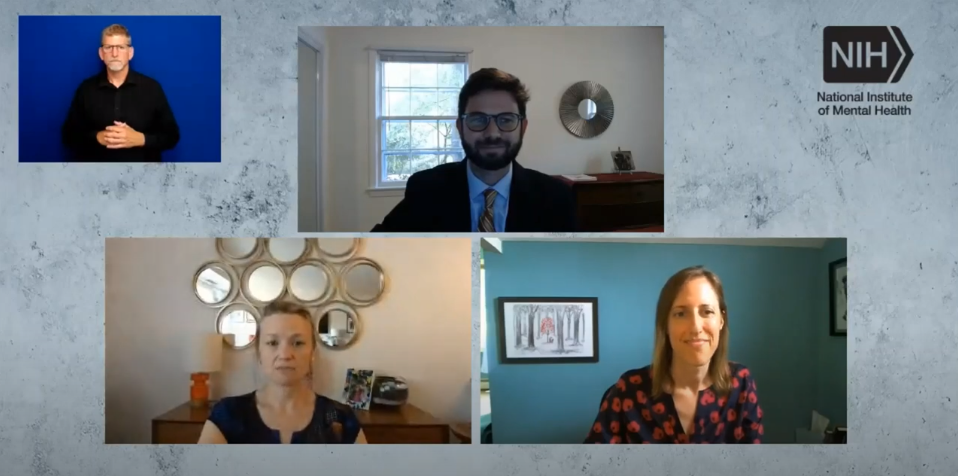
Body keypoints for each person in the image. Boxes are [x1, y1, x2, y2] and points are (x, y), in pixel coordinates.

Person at [371, 68, 577, 232]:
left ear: (523, 127)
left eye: (506, 120)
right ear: (460, 127)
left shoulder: (555, 198)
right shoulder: (425, 190)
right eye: (478, 120)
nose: (492, 133)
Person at [584, 266, 764, 444]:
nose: (695, 327)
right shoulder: (628, 391)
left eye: (707, 312)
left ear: (721, 320)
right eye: (680, 314)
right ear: (666, 325)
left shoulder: (741, 383)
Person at [196, 302, 367, 444]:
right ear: (259, 353)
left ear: (312, 353)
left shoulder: (340, 418)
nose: (285, 355)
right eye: (272, 342)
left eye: (298, 343)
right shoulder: (228, 414)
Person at [60, 24, 180, 162]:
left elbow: (172, 137)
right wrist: (98, 137)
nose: (115, 54)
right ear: (101, 53)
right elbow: (68, 137)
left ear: (130, 53)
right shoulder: (86, 89)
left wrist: (140, 139)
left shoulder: (152, 88)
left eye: (121, 47)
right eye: (108, 47)